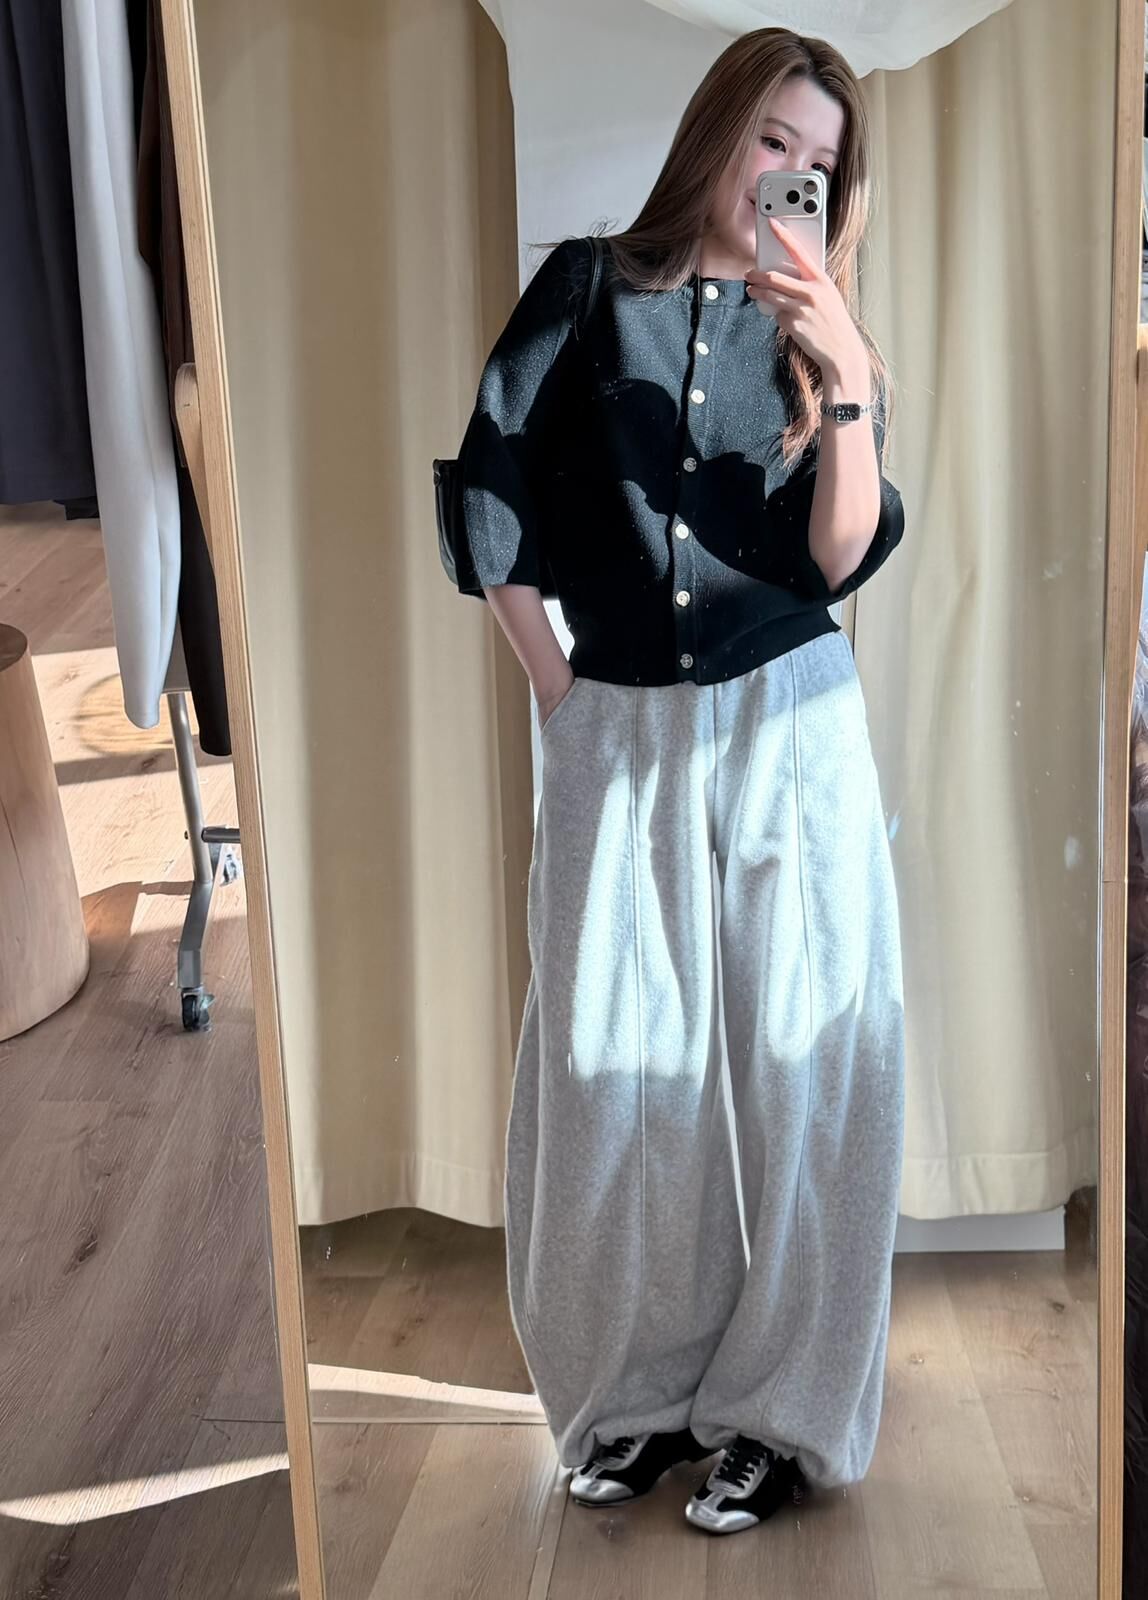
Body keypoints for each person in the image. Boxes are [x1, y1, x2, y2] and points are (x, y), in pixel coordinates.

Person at [453, 26, 906, 1538]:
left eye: (818, 163)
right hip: (621, 719)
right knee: (613, 1067)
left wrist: (846, 378)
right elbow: (494, 484)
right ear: (720, 128)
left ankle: (783, 1417)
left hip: (794, 716)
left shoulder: (820, 334)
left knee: (812, 1070)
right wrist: (557, 687)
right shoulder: (587, 289)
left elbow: (837, 555)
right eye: (773, 138)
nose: (788, 176)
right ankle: (638, 1397)